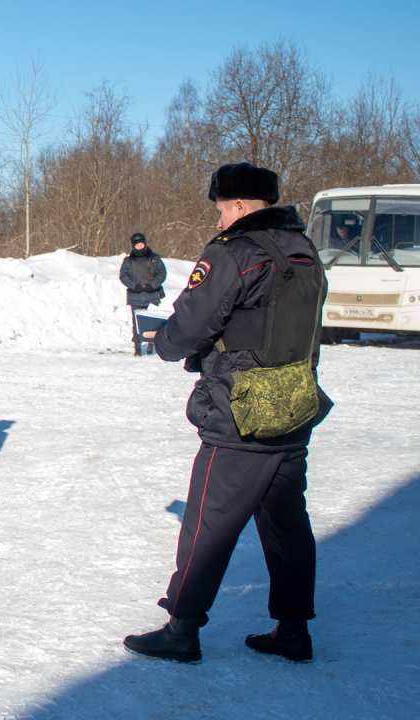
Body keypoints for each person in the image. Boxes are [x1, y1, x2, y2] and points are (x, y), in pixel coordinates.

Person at [123, 162, 332, 664]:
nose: (217, 220)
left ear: (238, 205)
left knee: (208, 524)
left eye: (220, 210)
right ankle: (293, 629)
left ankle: (182, 628)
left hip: (241, 412)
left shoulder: (233, 253)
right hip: (294, 406)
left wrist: (164, 340)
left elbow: (191, 326)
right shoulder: (304, 251)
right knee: (286, 524)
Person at [119, 232, 167, 356]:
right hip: (136, 296)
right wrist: (135, 286)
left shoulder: (154, 259)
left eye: (141, 244)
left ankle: (151, 344)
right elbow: (123, 276)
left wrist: (152, 285)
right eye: (137, 245)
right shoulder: (128, 261)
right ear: (133, 246)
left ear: (145, 244)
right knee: (136, 323)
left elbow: (162, 273)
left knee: (152, 321)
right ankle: (137, 348)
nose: (140, 247)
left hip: (152, 295)